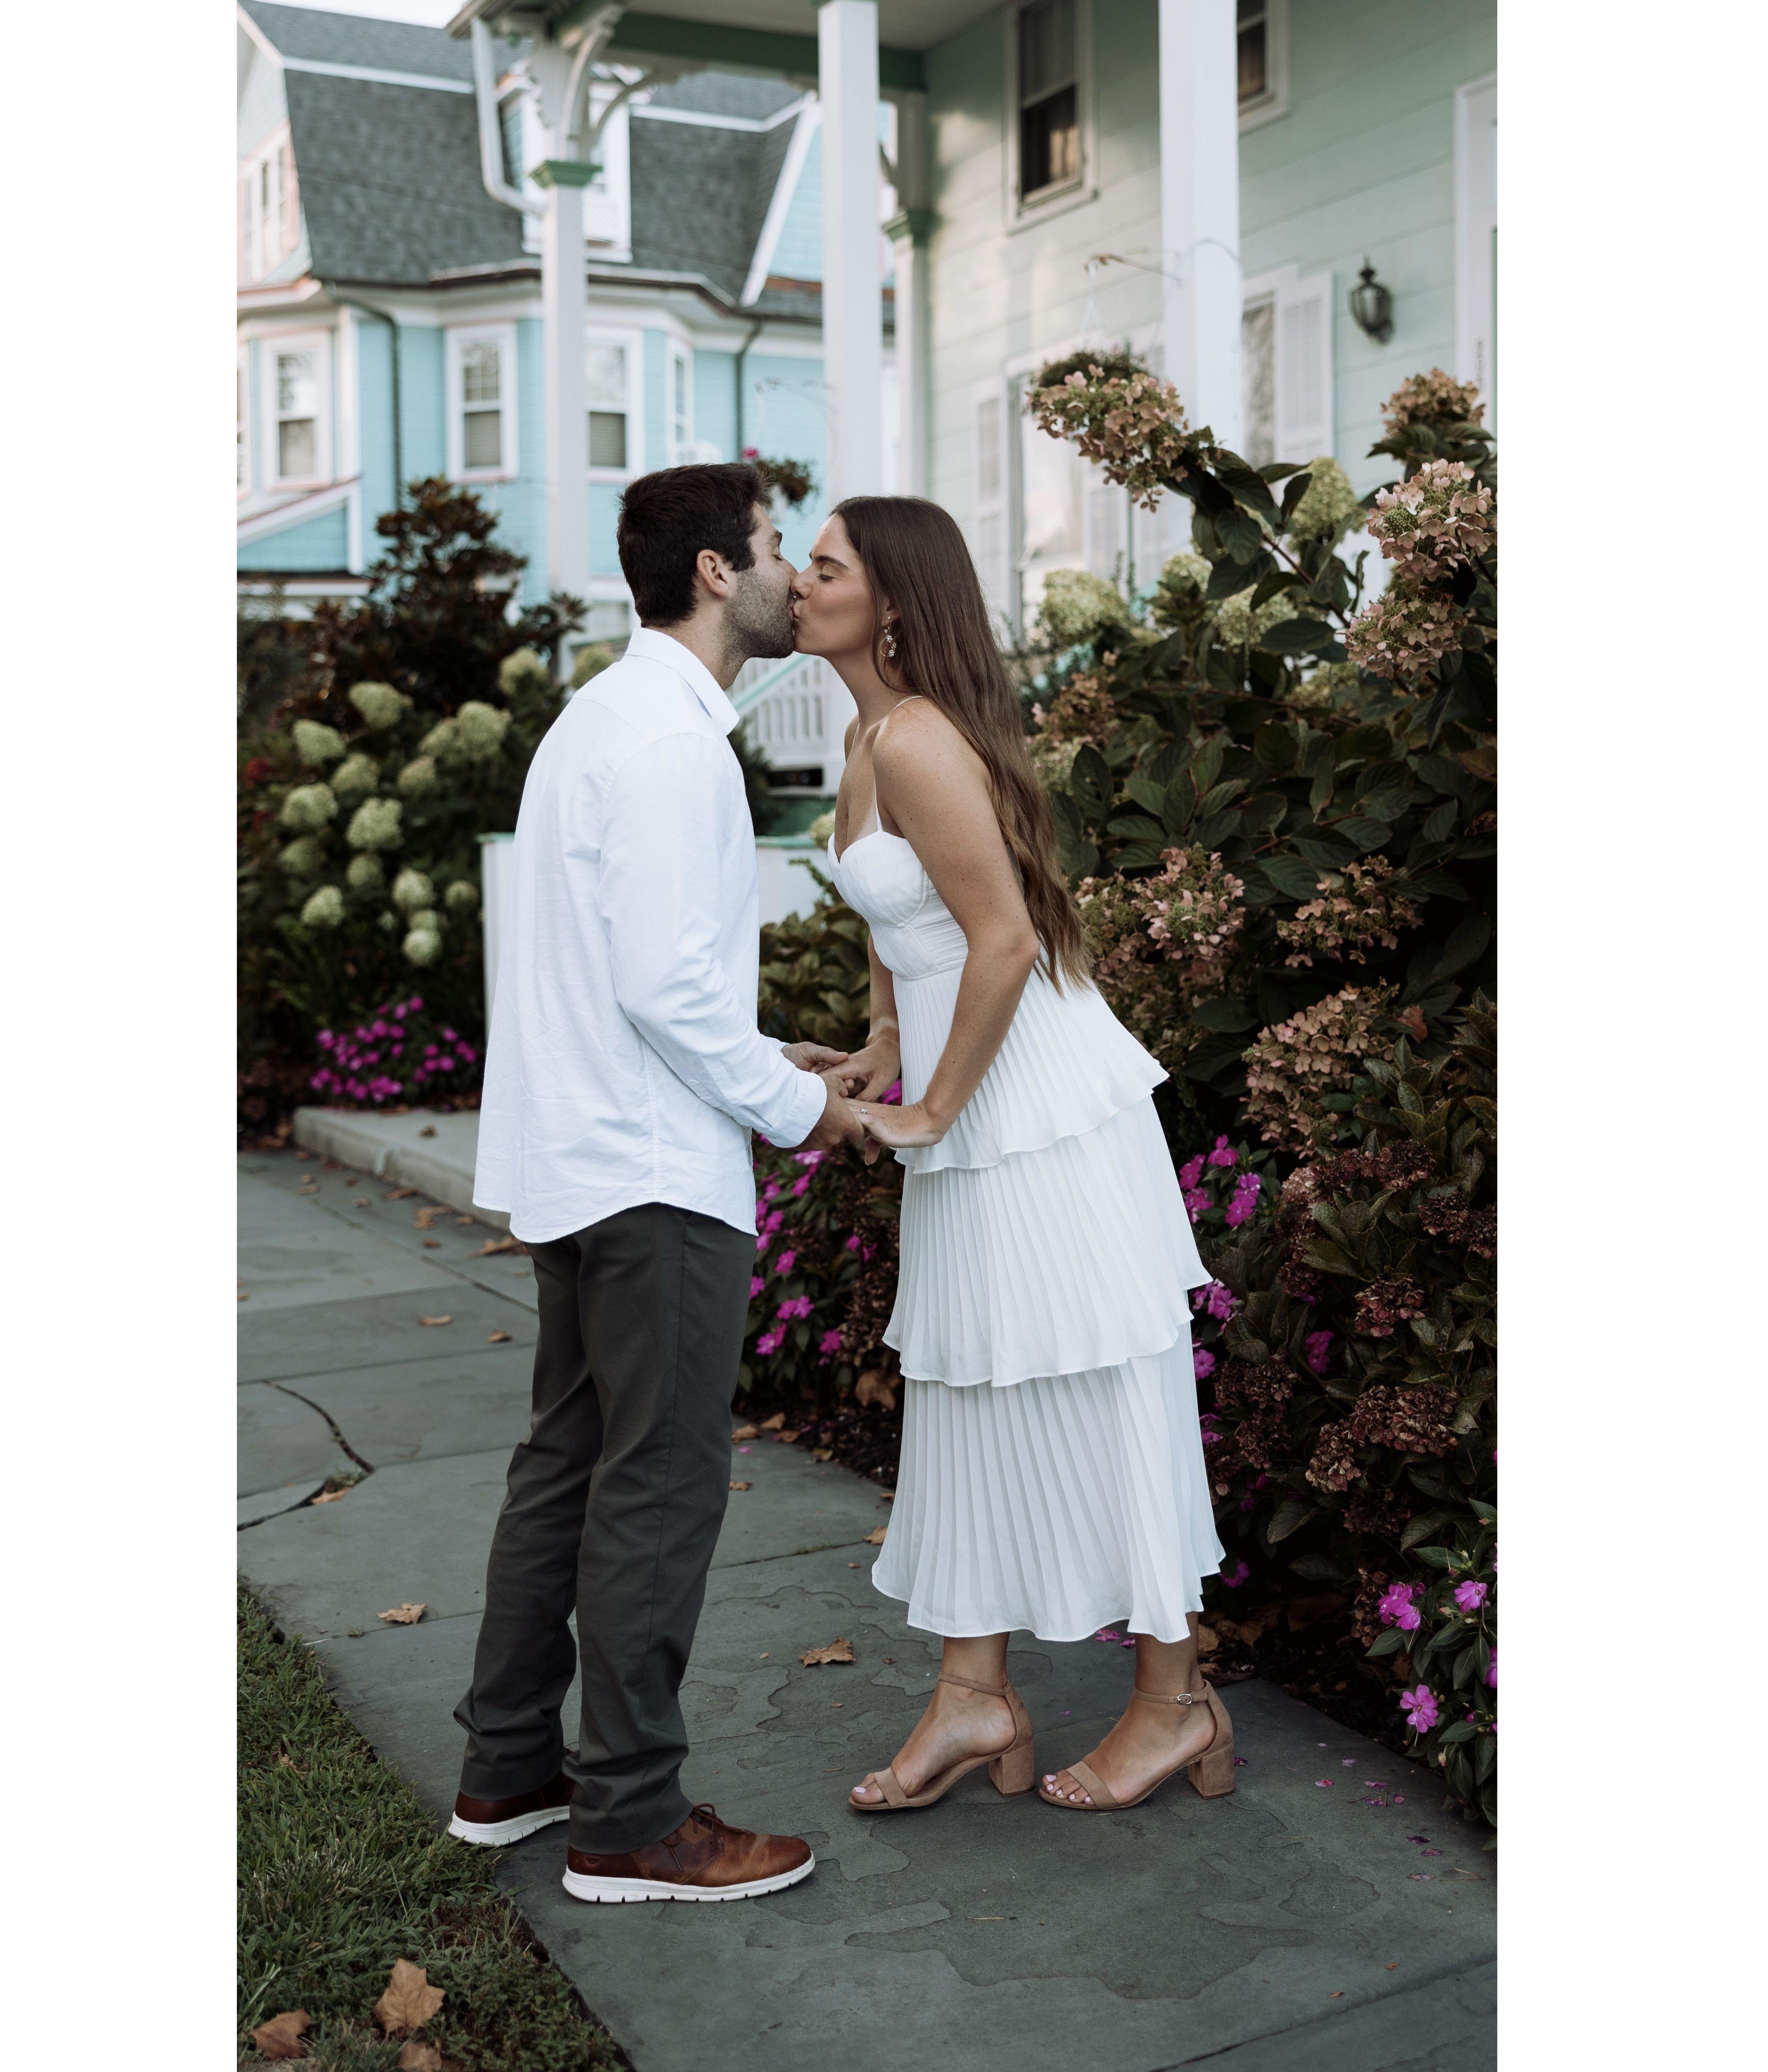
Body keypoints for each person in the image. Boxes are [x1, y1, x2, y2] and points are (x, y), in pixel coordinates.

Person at [455, 462, 865, 1903]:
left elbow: (630, 971)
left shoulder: (600, 718)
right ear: (713, 571)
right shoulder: (672, 743)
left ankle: (509, 1768)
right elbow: (665, 989)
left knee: (566, 1467)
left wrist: (766, 1050)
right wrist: (800, 1105)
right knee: (659, 1484)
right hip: (650, 1176)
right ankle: (629, 1819)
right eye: (773, 545)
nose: (788, 571)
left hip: (584, 1154)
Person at [795, 496, 1238, 1815]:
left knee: (1103, 1381)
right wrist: (882, 1040)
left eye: (825, 566)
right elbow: (900, 920)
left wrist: (931, 1108)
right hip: (972, 1096)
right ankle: (972, 1692)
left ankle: (1176, 1702)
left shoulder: (919, 738)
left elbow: (1001, 939)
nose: (800, 583)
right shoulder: (869, 735)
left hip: (1032, 1101)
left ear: (891, 601)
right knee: (970, 1383)